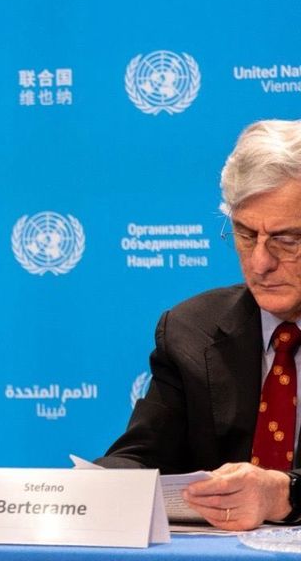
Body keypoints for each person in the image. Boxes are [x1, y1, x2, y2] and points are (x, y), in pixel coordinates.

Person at [99, 119, 301, 530]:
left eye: (286, 240)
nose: (260, 263)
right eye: (246, 235)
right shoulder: (191, 331)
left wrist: (282, 494)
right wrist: (84, 491)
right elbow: (140, 458)